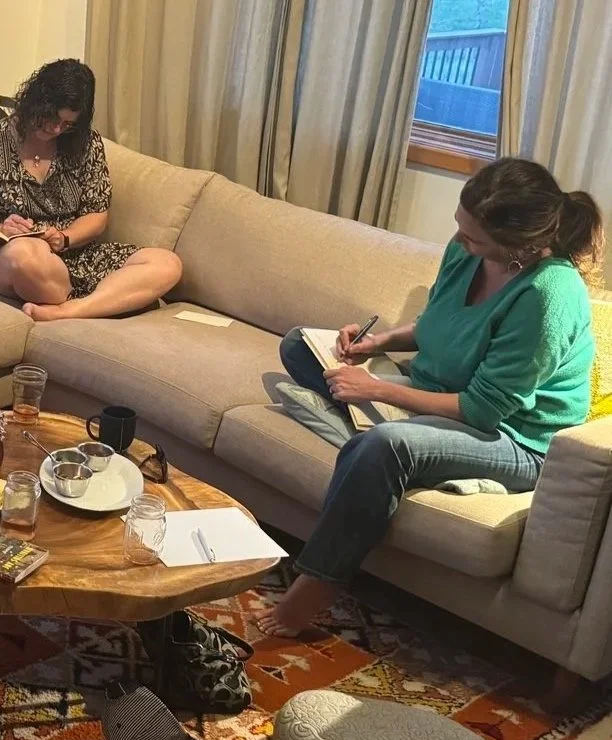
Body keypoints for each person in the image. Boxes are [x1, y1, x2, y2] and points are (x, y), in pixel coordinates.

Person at [257, 158, 602, 638]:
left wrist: (378, 389)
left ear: (519, 245)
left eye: (473, 237)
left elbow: (482, 409)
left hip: (514, 438)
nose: (459, 240)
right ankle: (372, 436)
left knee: (386, 446)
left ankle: (318, 583)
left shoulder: (549, 295)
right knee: (299, 345)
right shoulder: (466, 253)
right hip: (434, 390)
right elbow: (436, 325)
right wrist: (376, 344)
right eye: (460, 226)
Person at [0, 59, 183, 321]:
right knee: (23, 257)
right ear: (36, 101)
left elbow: (96, 214)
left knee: (167, 264)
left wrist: (65, 237)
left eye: (67, 124)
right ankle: (107, 299)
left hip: (74, 256)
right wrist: (4, 228)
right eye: (52, 117)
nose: (56, 129)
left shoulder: (85, 144)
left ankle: (70, 309)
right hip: (12, 254)